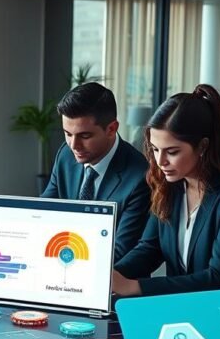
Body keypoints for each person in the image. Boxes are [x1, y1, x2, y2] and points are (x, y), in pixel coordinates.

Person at [112, 84, 220, 297]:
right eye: (155, 149)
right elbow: (149, 248)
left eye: (172, 152)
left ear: (202, 146)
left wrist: (134, 286)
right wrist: (111, 275)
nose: (160, 161)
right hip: (181, 307)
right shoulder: (169, 186)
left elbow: (219, 277)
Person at [42, 82, 150, 261]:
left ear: (111, 129)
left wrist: (65, 258)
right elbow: (44, 213)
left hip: (112, 280)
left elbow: (120, 251)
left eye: (85, 136)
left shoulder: (139, 176)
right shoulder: (65, 155)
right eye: (68, 134)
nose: (74, 145)